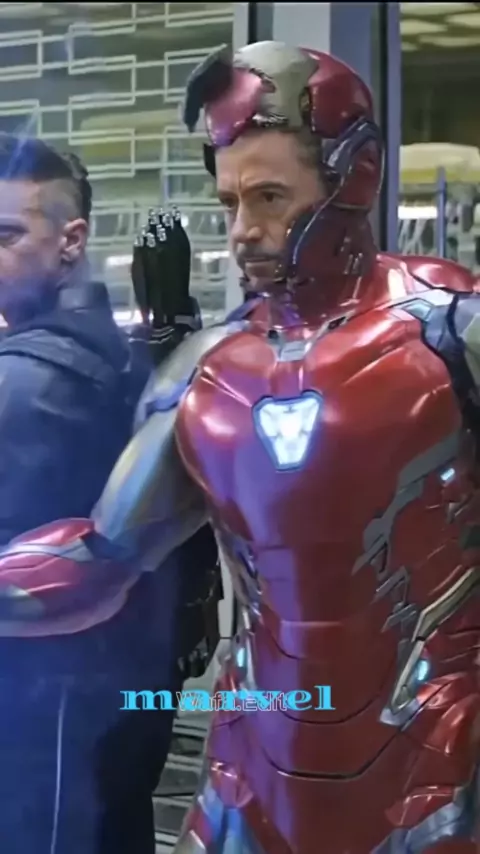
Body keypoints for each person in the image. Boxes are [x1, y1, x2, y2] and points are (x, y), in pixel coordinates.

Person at [0, 40, 479, 854]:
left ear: (354, 177)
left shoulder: (451, 329)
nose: (244, 232)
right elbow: (97, 560)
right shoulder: (210, 370)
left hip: (439, 768)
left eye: (269, 197)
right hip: (252, 778)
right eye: (229, 202)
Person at [0, 134, 219, 854]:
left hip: (41, 728)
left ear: (71, 241)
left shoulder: (26, 386)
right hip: (115, 708)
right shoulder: (125, 361)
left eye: (7, 235)